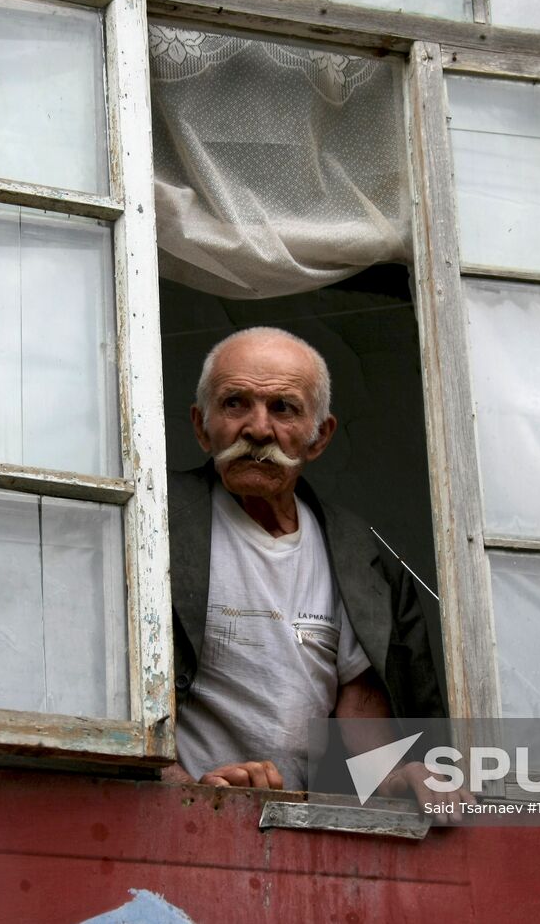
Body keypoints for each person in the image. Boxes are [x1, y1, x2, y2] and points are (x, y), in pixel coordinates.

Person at [162, 326, 470, 815]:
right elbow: (113, 697)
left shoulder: (357, 558)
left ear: (319, 436)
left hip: (299, 829)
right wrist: (188, 791)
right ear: (201, 426)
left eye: (283, 408)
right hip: (184, 819)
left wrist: (397, 776)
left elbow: (360, 722)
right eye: (235, 404)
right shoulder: (153, 524)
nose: (258, 429)